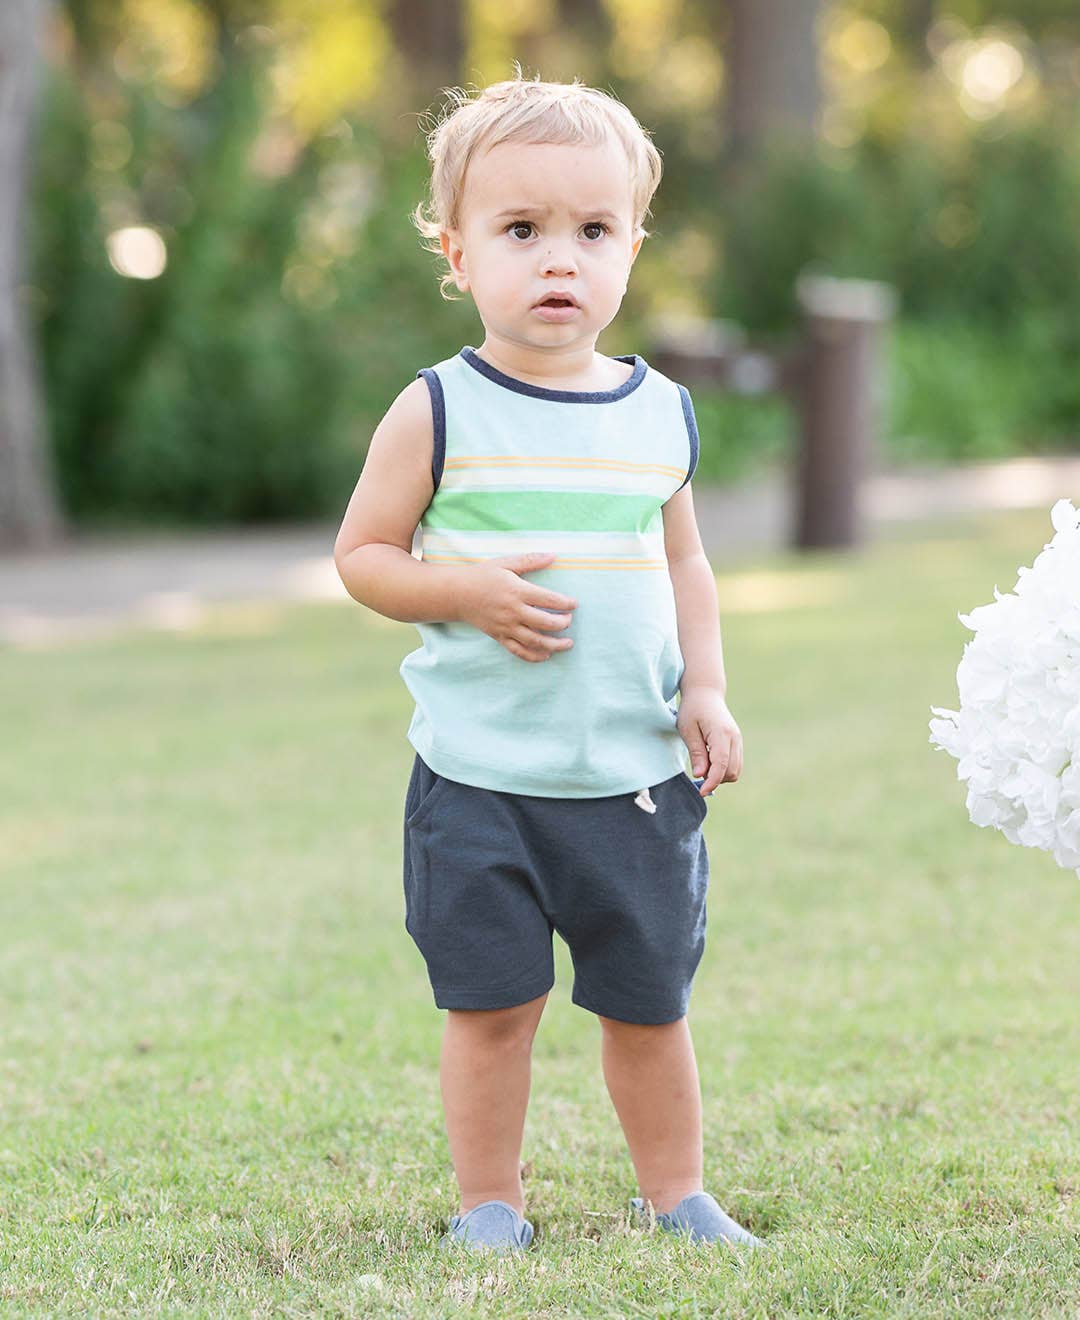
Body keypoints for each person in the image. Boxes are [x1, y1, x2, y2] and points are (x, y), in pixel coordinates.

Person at [333, 68, 766, 1255]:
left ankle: (675, 1191)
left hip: (632, 781)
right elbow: (364, 555)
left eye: (592, 230)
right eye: (521, 231)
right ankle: (491, 1204)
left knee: (650, 1007)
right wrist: (461, 591)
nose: (559, 259)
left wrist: (708, 688)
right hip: (481, 784)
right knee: (492, 1009)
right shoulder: (438, 410)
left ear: (634, 246)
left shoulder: (659, 412)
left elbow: (686, 570)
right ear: (458, 254)